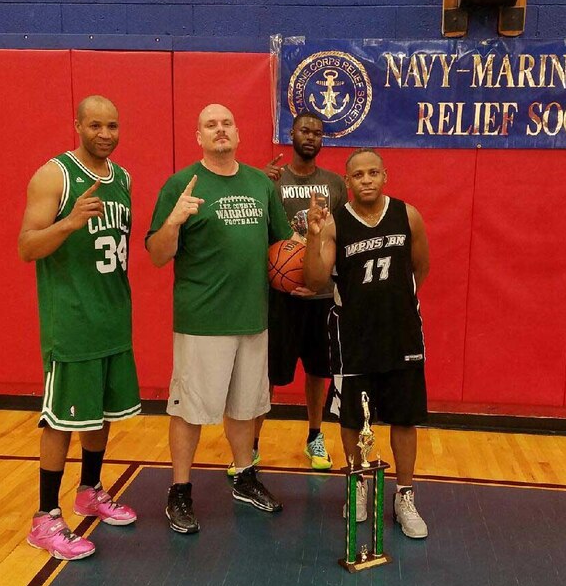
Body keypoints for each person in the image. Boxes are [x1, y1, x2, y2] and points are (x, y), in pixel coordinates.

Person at [146, 103, 293, 535]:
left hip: (253, 317)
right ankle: (180, 490)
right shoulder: (181, 184)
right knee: (190, 409)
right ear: (199, 137)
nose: (220, 129)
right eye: (210, 124)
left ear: (238, 132)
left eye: (227, 122)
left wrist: (309, 252)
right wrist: (173, 220)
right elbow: (156, 255)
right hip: (202, 319)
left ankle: (244, 477)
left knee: (247, 406)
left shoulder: (259, 184)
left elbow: (282, 248)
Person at [18, 95, 140, 561]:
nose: (105, 134)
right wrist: (68, 223)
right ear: (77, 125)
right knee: (62, 420)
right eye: (95, 125)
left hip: (112, 319)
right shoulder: (55, 175)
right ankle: (44, 518)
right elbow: (27, 246)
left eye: (112, 125)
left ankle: (89, 490)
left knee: (99, 414)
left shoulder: (123, 178)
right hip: (71, 321)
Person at [302, 148, 431, 539]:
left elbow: (421, 266)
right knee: (352, 419)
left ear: (385, 175)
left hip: (401, 332)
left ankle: (404, 494)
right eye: (358, 175)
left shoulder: (408, 215)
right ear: (348, 182)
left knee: (404, 418)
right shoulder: (335, 224)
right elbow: (314, 279)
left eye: (373, 172)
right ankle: (358, 485)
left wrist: (394, 303)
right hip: (352, 336)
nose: (367, 180)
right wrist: (311, 235)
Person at [250, 111, 346, 473]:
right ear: (291, 134)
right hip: (280, 294)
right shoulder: (270, 180)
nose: (311, 137)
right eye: (305, 130)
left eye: (318, 133)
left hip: (320, 295)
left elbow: (339, 237)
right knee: (269, 374)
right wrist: (256, 183)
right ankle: (253, 441)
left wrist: (323, 281)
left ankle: (315, 435)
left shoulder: (335, 184)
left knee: (318, 371)